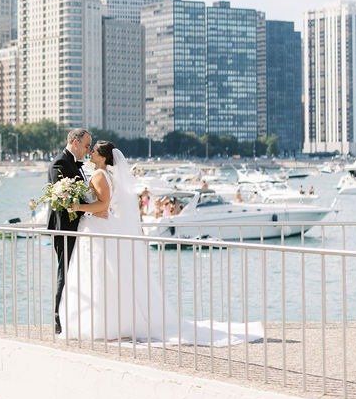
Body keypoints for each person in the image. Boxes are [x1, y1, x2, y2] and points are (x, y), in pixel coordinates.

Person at [61, 140, 263, 345]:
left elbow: (103, 206)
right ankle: (107, 322)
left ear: (103, 157)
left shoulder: (99, 175)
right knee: (102, 275)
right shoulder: (106, 175)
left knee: (99, 274)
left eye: (94, 150)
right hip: (96, 227)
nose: (90, 152)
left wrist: (76, 206)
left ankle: (102, 323)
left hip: (97, 225)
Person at [47, 128, 93, 334]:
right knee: (64, 270)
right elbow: (61, 194)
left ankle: (72, 314)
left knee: (74, 270)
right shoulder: (60, 162)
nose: (88, 149)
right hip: (65, 226)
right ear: (74, 142)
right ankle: (57, 317)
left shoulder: (76, 164)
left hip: (78, 225)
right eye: (86, 145)